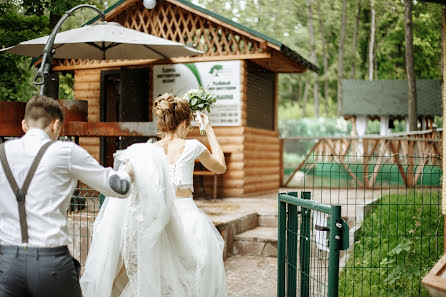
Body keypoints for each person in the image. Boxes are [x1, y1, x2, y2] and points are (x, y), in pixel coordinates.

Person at [80, 93, 227, 297]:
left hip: (157, 218)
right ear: (184, 122)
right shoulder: (193, 147)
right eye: (190, 124)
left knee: (159, 275)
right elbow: (220, 167)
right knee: (196, 275)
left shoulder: (148, 151)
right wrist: (209, 129)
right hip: (189, 220)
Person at [0, 95, 134, 297]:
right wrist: (129, 171)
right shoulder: (65, 152)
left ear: (24, 125)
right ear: (56, 125)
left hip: (6, 262)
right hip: (50, 263)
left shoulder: (2, 152)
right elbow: (118, 187)